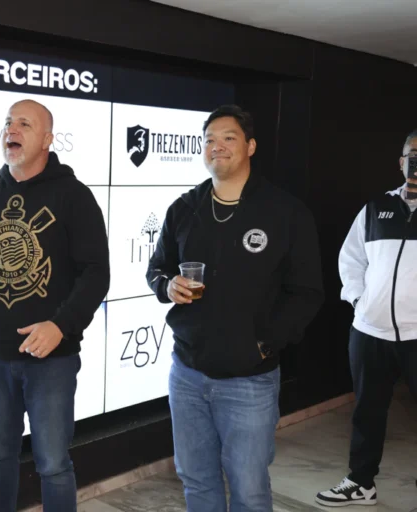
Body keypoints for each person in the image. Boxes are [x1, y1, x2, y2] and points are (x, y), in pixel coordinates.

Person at [0, 99, 109, 512]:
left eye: (24, 124)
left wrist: (60, 325)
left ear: (47, 139)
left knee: (53, 465)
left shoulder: (73, 196)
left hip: (51, 359)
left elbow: (96, 273)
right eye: (9, 122)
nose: (11, 129)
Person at [146, 104, 324, 512]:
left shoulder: (285, 212)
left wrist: (264, 344)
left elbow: (307, 293)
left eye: (229, 138)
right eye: (209, 139)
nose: (217, 146)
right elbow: (157, 269)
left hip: (249, 381)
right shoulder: (184, 208)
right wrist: (167, 285)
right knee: (196, 480)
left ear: (251, 146)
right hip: (187, 374)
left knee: (248, 489)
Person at [315, 129, 417, 507]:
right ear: (401, 162)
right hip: (370, 331)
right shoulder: (376, 208)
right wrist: (359, 300)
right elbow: (351, 258)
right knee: (367, 412)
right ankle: (361, 483)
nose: (416, 162)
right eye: (411, 154)